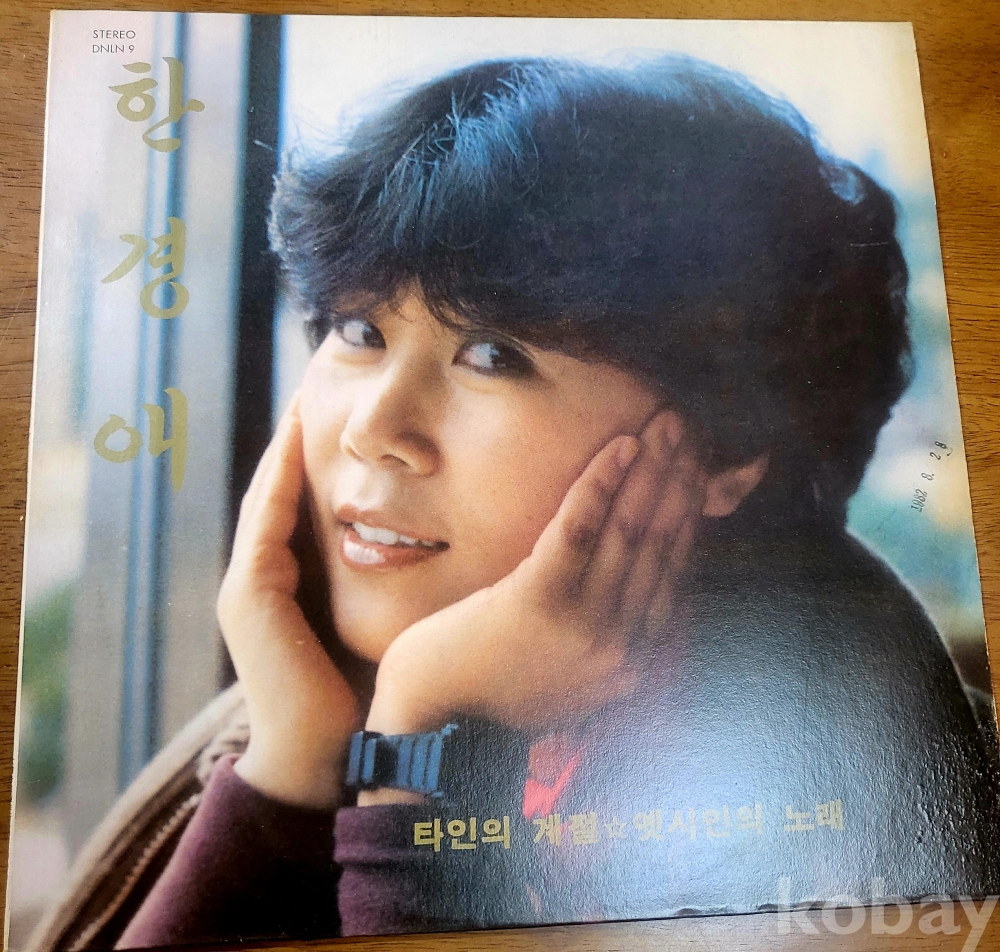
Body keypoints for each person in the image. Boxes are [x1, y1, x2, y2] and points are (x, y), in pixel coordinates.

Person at [115, 55, 1000, 947]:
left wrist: (417, 719)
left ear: (726, 451)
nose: (374, 429)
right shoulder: (344, 685)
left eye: (493, 354)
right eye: (358, 330)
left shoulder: (825, 742)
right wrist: (296, 756)